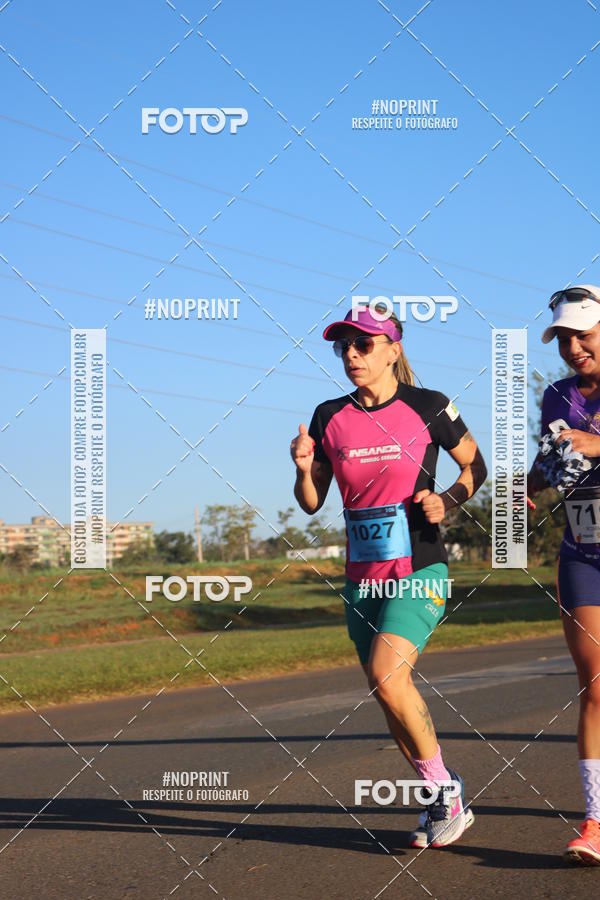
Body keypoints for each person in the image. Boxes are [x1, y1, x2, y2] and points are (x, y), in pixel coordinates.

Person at [290, 304, 487, 848]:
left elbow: (476, 466)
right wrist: (304, 469)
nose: (351, 355)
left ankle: (445, 793)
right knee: (386, 691)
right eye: (343, 346)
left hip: (420, 566)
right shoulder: (330, 415)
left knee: (386, 674)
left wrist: (445, 499)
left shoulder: (428, 406)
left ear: (393, 349)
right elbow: (311, 504)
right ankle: (438, 796)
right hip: (362, 575)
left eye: (363, 345)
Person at [528, 284, 600, 865]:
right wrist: (529, 486)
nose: (575, 347)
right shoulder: (556, 396)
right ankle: (596, 821)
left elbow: (586, 444)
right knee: (595, 686)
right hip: (585, 545)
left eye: (586, 334)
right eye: (565, 338)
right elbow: (553, 454)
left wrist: (593, 443)